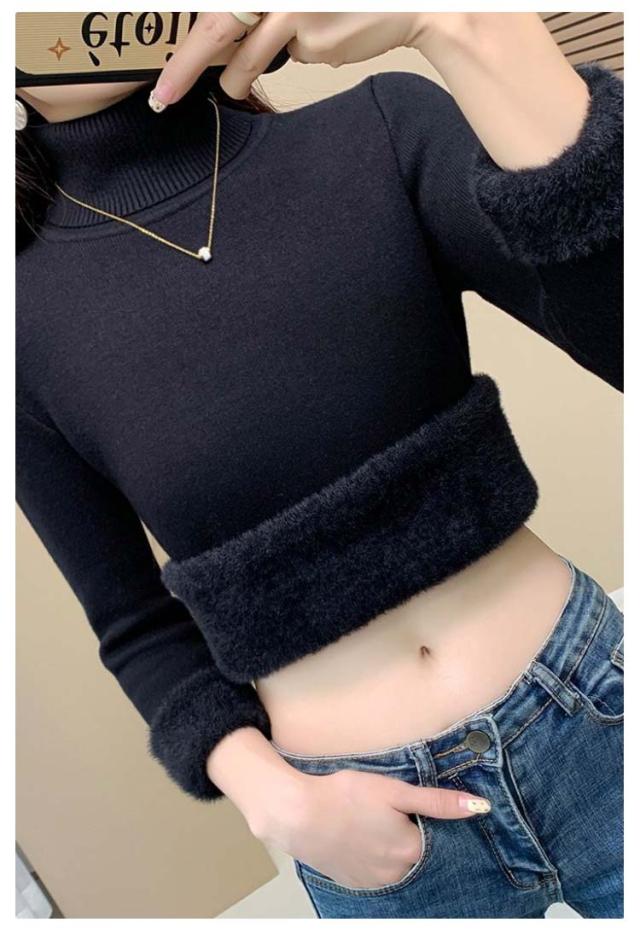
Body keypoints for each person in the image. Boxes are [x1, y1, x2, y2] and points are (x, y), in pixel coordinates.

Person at [16, 12, 623, 919]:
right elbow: (134, 624)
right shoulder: (20, 324)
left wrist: (465, 25)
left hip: (595, 713)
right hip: (378, 836)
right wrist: (277, 801)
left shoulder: (381, 126)